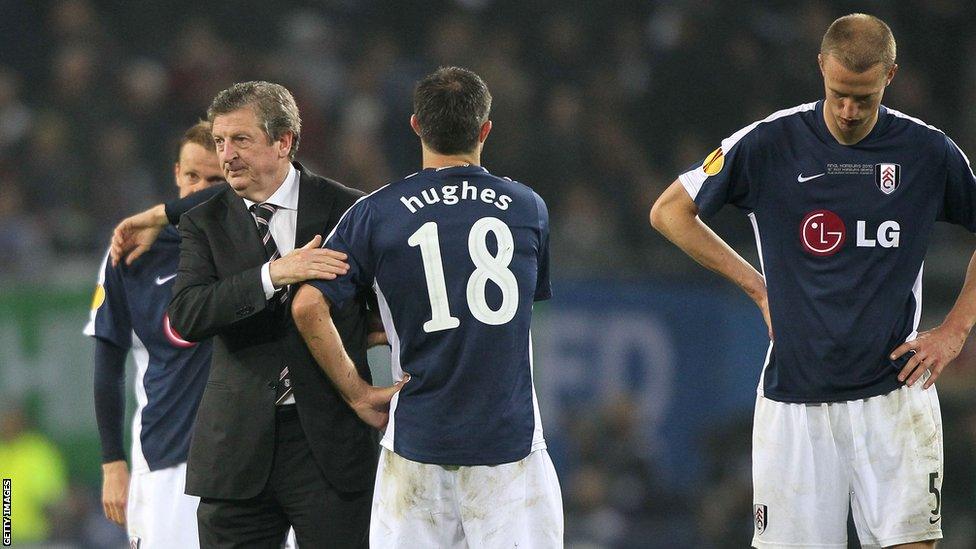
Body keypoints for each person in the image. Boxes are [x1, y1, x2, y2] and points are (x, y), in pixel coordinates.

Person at [649, 13, 975, 549]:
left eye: (863, 98)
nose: (848, 111)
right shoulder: (769, 142)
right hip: (794, 400)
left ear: (889, 77)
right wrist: (757, 287)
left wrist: (956, 330)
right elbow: (669, 212)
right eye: (839, 93)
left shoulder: (927, 152)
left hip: (894, 395)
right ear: (820, 66)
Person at [291, 66, 564, 548]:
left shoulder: (375, 213)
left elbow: (307, 305)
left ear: (416, 125)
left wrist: (357, 392)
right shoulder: (528, 208)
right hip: (509, 444)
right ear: (484, 130)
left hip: (416, 442)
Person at [165, 81, 376, 548]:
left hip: (330, 445)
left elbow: (384, 309)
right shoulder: (203, 221)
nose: (227, 155)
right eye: (220, 142)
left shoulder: (349, 209)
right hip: (235, 452)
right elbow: (186, 314)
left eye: (241, 139)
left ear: (284, 141)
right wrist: (273, 274)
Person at [84, 121, 223, 548]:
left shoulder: (256, 242)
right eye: (192, 176)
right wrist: (113, 462)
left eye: (214, 180)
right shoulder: (131, 254)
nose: (199, 188)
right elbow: (108, 365)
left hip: (251, 456)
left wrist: (162, 213)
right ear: (176, 173)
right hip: (167, 456)